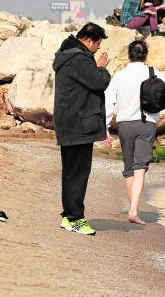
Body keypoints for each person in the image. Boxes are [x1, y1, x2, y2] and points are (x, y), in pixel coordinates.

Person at [104, 40, 165, 224]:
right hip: (146, 123)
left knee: (129, 169)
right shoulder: (153, 72)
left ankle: (133, 208)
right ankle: (134, 210)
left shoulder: (119, 75)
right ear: (145, 55)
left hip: (124, 125)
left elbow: (108, 101)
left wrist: (104, 128)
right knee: (140, 167)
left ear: (129, 55)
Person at [52, 22, 111, 235]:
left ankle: (69, 216)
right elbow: (98, 82)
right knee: (78, 172)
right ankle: (75, 218)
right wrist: (102, 68)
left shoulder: (66, 55)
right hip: (78, 125)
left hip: (69, 122)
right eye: (97, 44)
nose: (97, 48)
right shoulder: (79, 59)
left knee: (71, 171)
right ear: (88, 40)